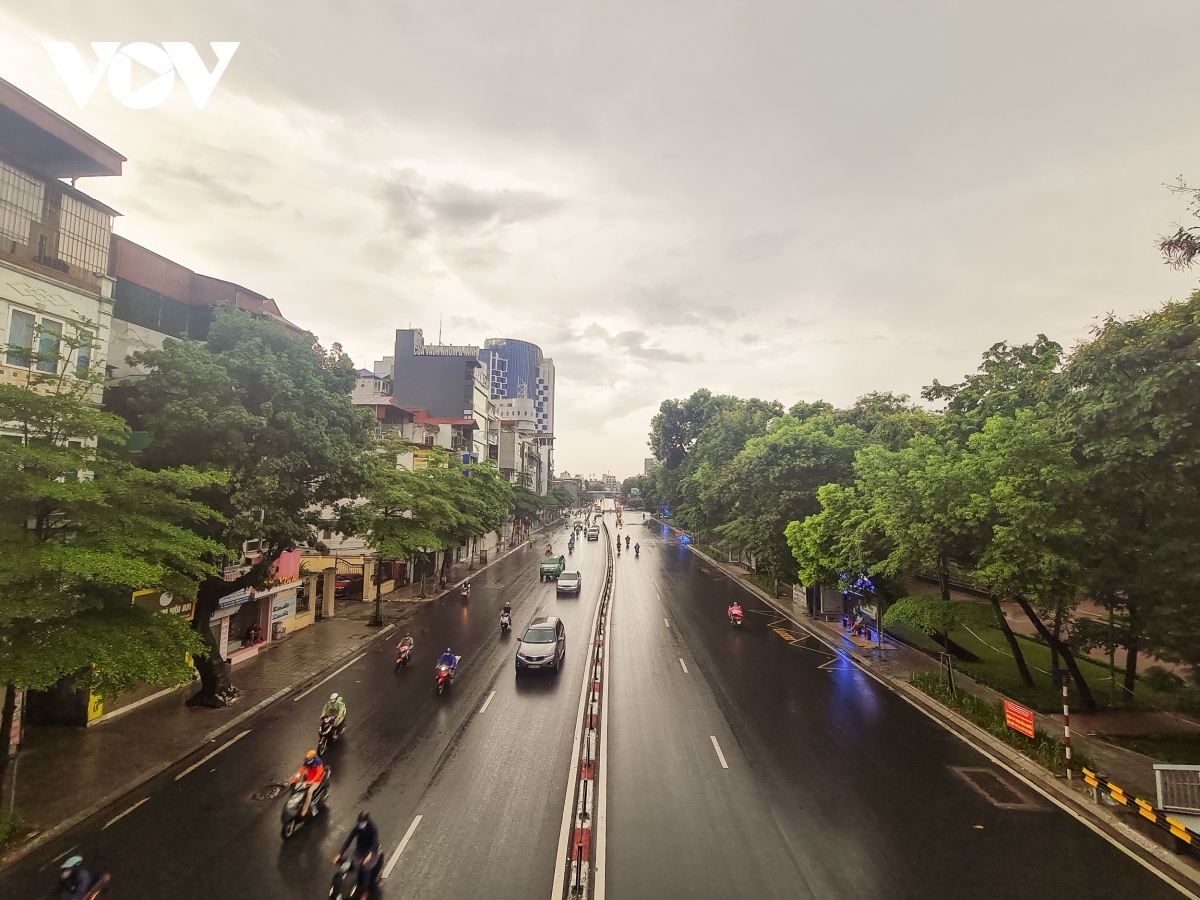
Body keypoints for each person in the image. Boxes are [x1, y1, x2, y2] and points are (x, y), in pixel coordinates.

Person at [335, 811, 382, 891]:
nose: (360, 824)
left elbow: (375, 843)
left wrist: (369, 854)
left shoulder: (372, 829)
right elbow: (349, 840)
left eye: (362, 822)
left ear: (366, 821)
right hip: (360, 849)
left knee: (366, 868)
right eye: (359, 822)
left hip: (371, 850)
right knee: (348, 862)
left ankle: (365, 891)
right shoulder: (357, 828)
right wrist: (340, 854)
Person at [292, 749, 326, 817]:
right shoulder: (307, 762)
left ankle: (304, 811)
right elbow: (301, 770)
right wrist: (294, 779)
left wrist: (313, 781)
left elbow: (319, 773)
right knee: (299, 788)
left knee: (309, 792)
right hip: (308, 778)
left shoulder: (318, 762)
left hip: (316, 780)